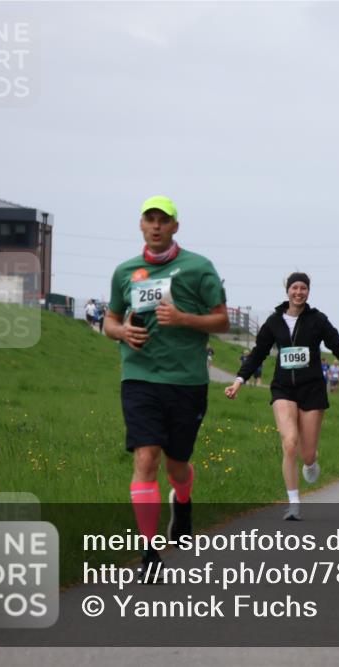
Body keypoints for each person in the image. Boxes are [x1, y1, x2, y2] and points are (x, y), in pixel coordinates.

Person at [104, 195, 230, 579]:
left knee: (177, 465)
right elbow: (110, 320)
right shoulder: (125, 272)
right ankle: (149, 553)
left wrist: (183, 318)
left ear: (175, 226)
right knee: (146, 459)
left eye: (163, 220)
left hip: (186, 381)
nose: (156, 226)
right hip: (139, 377)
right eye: (150, 219)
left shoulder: (198, 268)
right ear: (141, 225)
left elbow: (222, 321)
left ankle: (184, 500)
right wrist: (122, 332)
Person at [225, 272, 339, 520]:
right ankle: (294, 502)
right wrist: (238, 381)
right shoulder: (274, 322)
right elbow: (257, 354)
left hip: (312, 389)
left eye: (303, 288)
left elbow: (338, 349)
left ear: (308, 291)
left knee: (307, 454)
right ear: (287, 290)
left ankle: (311, 462)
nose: (299, 292)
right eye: (294, 288)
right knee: (289, 442)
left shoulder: (318, 320)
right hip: (283, 388)